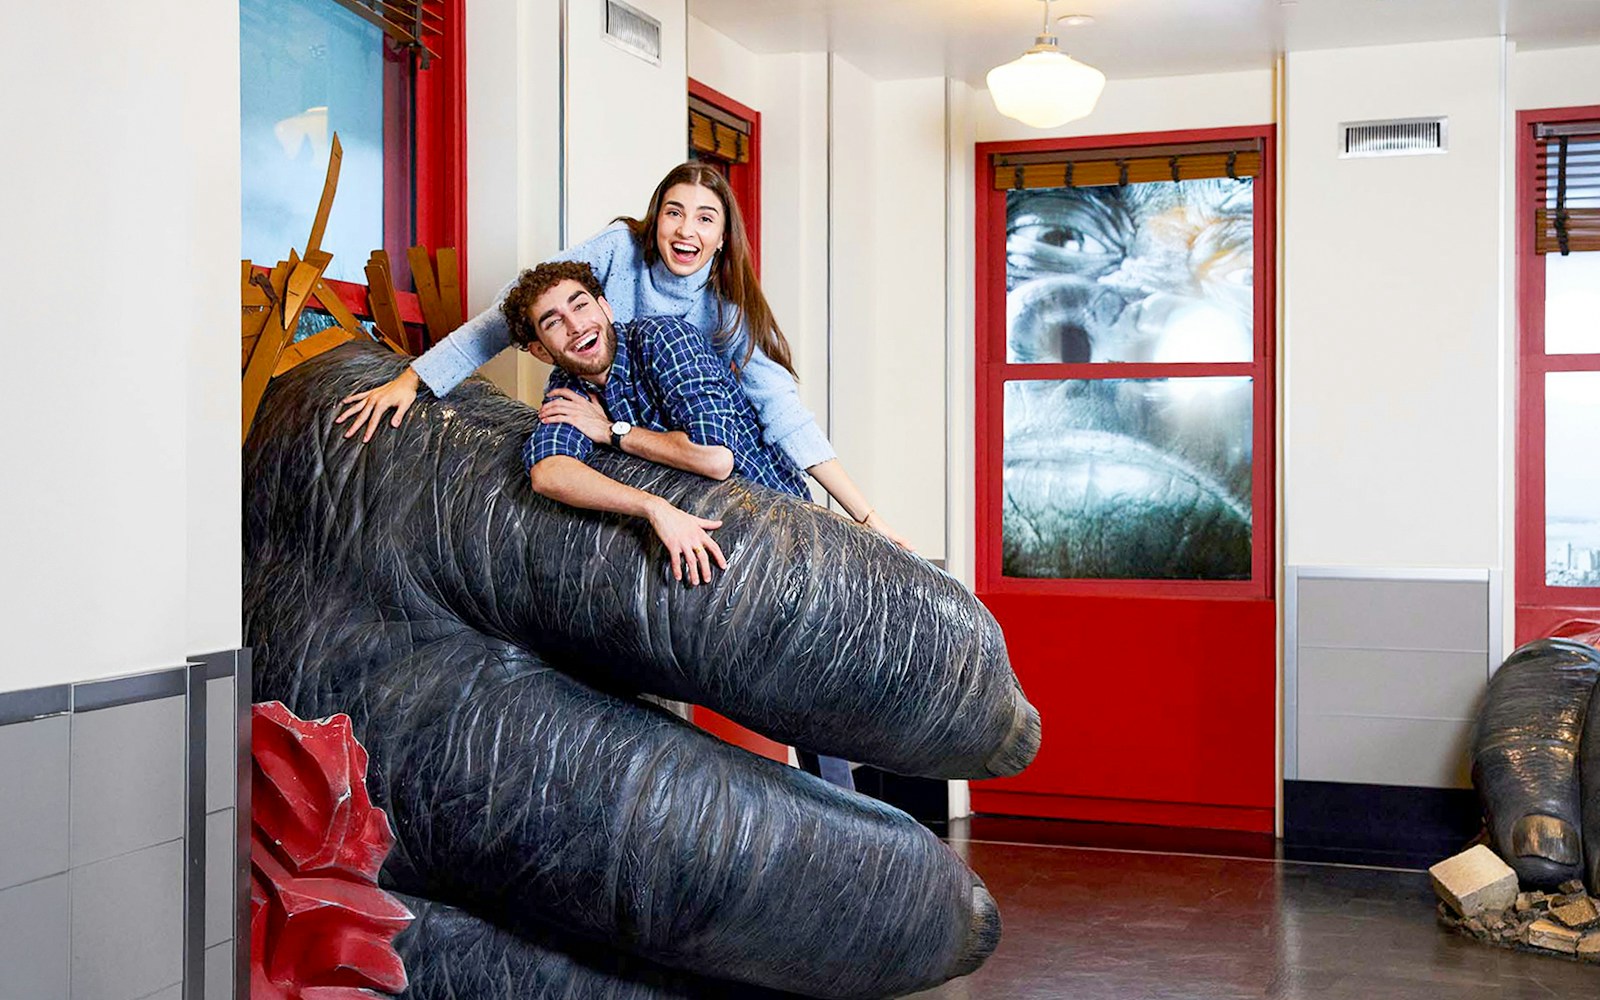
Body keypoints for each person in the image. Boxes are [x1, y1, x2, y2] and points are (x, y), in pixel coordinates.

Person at [336, 161, 909, 549]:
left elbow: (781, 418)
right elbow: (522, 308)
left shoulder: (717, 315)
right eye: (674, 212)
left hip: (737, 472)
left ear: (722, 237)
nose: (686, 230)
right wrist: (412, 380)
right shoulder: (615, 257)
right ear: (655, 219)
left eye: (705, 218)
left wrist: (867, 517)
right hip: (665, 473)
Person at [508, 258, 856, 790]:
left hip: (781, 537)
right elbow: (550, 473)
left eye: (580, 305)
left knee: (807, 701)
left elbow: (715, 458)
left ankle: (850, 825)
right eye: (553, 322)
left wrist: (613, 432)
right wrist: (653, 507)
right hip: (699, 545)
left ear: (605, 307)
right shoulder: (569, 392)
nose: (575, 325)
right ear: (538, 349)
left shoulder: (664, 340)